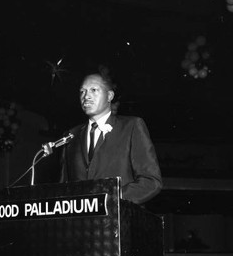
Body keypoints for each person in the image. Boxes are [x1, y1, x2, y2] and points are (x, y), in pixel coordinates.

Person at [60, 70, 162, 204]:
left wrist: (109, 200)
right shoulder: (71, 135)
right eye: (82, 91)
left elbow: (151, 181)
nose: (86, 96)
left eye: (94, 90)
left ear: (109, 96)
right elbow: (63, 187)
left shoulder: (132, 126)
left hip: (118, 221)